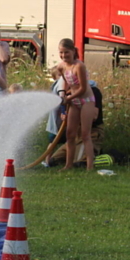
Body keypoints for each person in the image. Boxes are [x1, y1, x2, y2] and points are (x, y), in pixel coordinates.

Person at [54, 38, 97, 171]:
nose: (63, 56)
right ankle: (68, 164)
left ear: (73, 51)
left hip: (86, 101)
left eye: (66, 52)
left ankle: (90, 167)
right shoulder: (61, 66)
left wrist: (69, 97)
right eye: (61, 53)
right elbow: (66, 82)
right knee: (70, 134)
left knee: (85, 134)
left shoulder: (79, 66)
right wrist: (64, 94)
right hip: (74, 102)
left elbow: (83, 88)